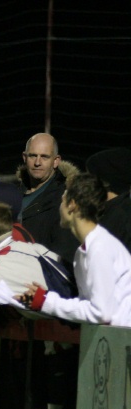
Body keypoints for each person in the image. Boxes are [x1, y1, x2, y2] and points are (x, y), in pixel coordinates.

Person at [18, 173, 131, 327]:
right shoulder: (84, 250)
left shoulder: (100, 248)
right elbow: (87, 305)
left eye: (63, 200)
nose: (60, 206)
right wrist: (48, 297)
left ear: (72, 205)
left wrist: (47, 302)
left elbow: (101, 312)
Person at [16, 133, 80, 267]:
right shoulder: (12, 194)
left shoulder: (64, 199)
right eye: (33, 155)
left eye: (44, 157)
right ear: (24, 157)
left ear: (56, 161)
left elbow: (64, 255)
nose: (37, 162)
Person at [87, 147, 131, 252]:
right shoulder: (108, 211)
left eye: (90, 177)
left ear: (103, 182)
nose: (86, 183)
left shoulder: (121, 219)